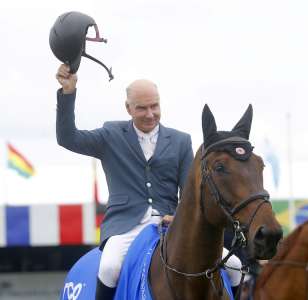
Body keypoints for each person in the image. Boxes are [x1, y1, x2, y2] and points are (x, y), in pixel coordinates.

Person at [55, 64, 245, 299]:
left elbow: (190, 193)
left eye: (154, 106)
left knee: (235, 266)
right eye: (142, 108)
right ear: (128, 108)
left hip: (173, 226)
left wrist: (178, 217)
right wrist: (67, 92)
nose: (150, 114)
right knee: (109, 267)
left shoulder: (180, 141)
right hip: (126, 227)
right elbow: (67, 137)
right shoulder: (110, 134)